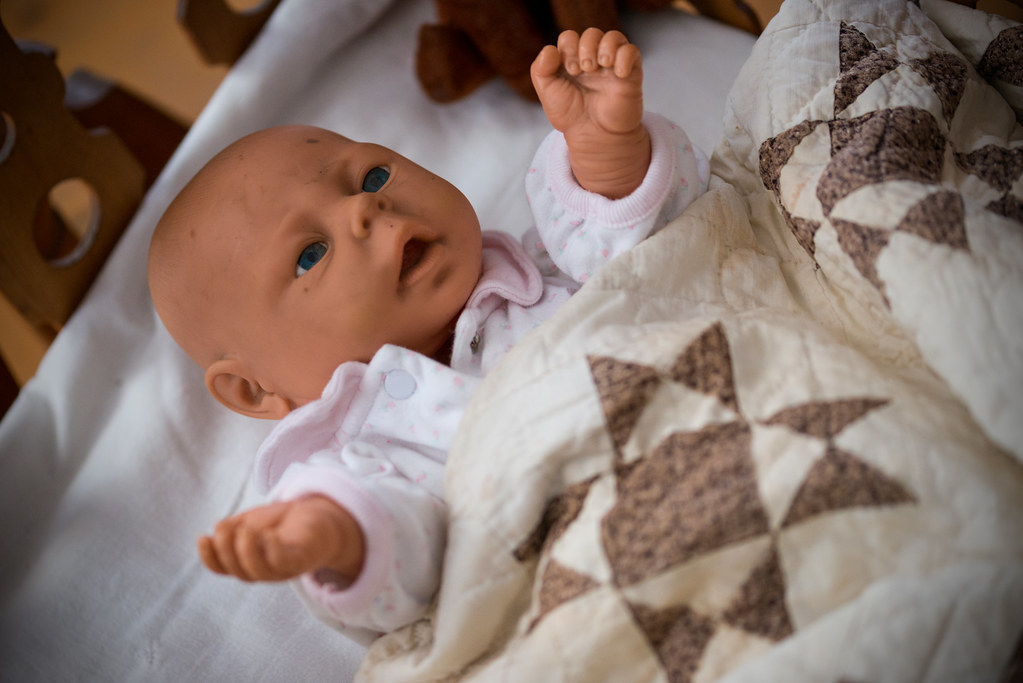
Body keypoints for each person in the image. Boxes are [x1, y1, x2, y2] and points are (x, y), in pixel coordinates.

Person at [148, 28, 707, 643]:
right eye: (310, 255)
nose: (363, 211)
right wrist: (335, 535)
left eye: (370, 178)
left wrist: (606, 153)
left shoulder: (545, 268)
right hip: (613, 592)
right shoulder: (371, 457)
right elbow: (412, 558)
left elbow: (655, 257)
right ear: (255, 392)